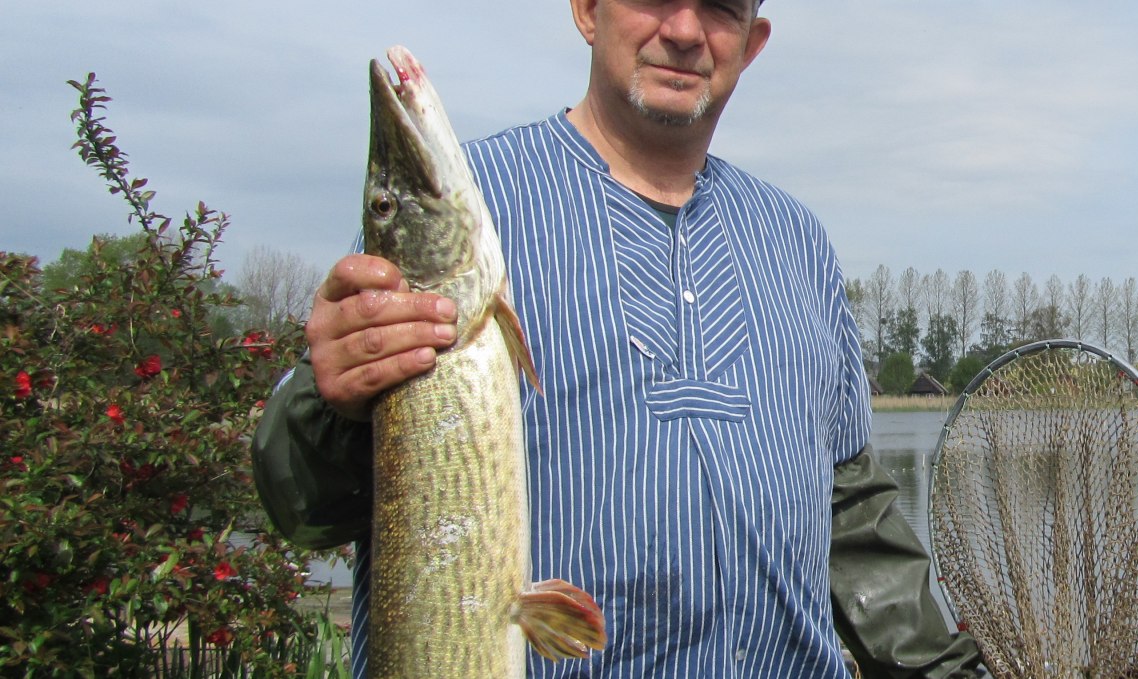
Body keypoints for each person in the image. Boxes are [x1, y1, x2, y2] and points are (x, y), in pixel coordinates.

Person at [251, 0, 980, 676]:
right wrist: (328, 399)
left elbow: (849, 511)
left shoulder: (797, 241)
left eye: (722, 5)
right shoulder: (463, 215)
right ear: (586, 9)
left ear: (752, 44)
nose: (687, 30)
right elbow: (304, 508)